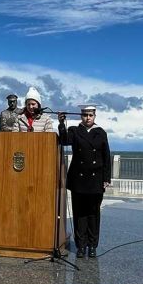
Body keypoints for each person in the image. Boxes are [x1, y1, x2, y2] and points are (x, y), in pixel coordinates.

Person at [58, 105, 111, 258]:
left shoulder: (101, 132)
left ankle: (92, 246)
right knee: (79, 214)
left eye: (90, 115)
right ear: (80, 116)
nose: (88, 118)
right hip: (79, 180)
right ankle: (81, 246)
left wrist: (106, 178)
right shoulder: (75, 130)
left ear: (95, 116)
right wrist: (61, 124)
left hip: (96, 180)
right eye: (85, 115)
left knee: (93, 215)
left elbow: (106, 156)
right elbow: (64, 141)